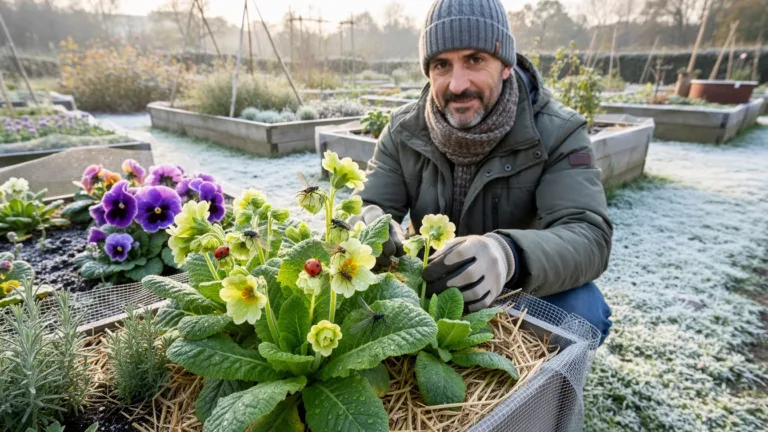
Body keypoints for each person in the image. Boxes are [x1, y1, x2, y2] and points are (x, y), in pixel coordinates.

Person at [351, 0, 613, 344]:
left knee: (584, 311)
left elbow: (588, 235)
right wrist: (368, 221)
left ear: (505, 64)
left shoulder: (559, 132)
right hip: (431, 282)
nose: (458, 84)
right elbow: (365, 203)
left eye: (475, 60)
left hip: (516, 291)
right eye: (442, 65)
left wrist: (508, 255)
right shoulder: (404, 130)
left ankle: (550, 393)